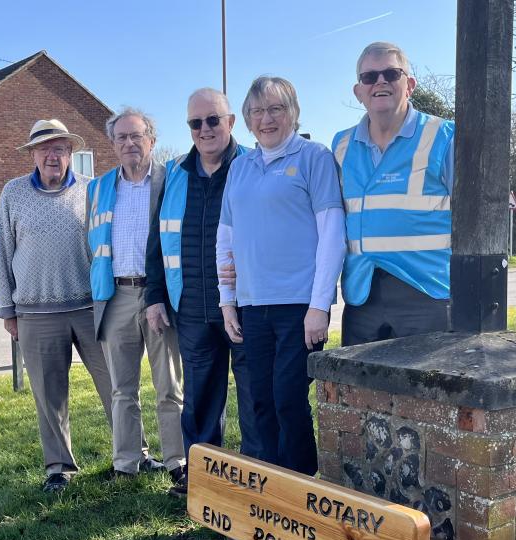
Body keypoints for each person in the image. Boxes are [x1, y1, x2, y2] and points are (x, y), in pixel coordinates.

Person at [218, 76, 344, 476]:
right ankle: (272, 489)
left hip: (299, 307)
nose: (266, 118)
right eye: (257, 111)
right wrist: (227, 299)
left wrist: (319, 306)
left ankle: (302, 487)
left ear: (293, 113)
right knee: (260, 402)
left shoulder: (314, 157)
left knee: (289, 399)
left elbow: (332, 235)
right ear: (247, 119)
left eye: (276, 109)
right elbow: (227, 238)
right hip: (253, 305)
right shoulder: (239, 167)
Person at [145, 88, 261, 496]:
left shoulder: (254, 165)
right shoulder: (173, 174)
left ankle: (254, 482)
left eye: (214, 120)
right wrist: (154, 295)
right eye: (196, 123)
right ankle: (204, 480)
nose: (205, 129)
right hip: (192, 307)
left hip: (248, 306)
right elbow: (157, 242)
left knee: (254, 398)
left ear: (231, 122)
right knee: (199, 401)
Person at [0, 118, 113, 493]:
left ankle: (133, 454)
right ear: (32, 154)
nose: (52, 155)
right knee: (49, 396)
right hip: (35, 313)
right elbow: (1, 252)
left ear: (71, 153)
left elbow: (107, 248)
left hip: (92, 309)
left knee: (117, 385)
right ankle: (59, 468)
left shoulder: (92, 192)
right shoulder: (13, 193)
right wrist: (7, 309)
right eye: (44, 148)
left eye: (59, 148)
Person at [332, 41, 455, 346]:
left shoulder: (443, 137)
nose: (380, 82)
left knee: (428, 393)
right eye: (369, 77)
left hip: (427, 293)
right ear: (359, 91)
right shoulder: (341, 146)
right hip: (362, 297)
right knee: (360, 393)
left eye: (391, 73)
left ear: (409, 85)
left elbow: (477, 222)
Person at [86, 108, 184, 481]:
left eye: (136, 135)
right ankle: (127, 463)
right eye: (121, 137)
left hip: (159, 294)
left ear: (151, 140)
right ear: (112, 144)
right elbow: (90, 244)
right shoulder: (98, 189)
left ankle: (178, 462)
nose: (129, 143)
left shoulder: (171, 180)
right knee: (121, 389)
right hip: (116, 297)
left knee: (168, 386)